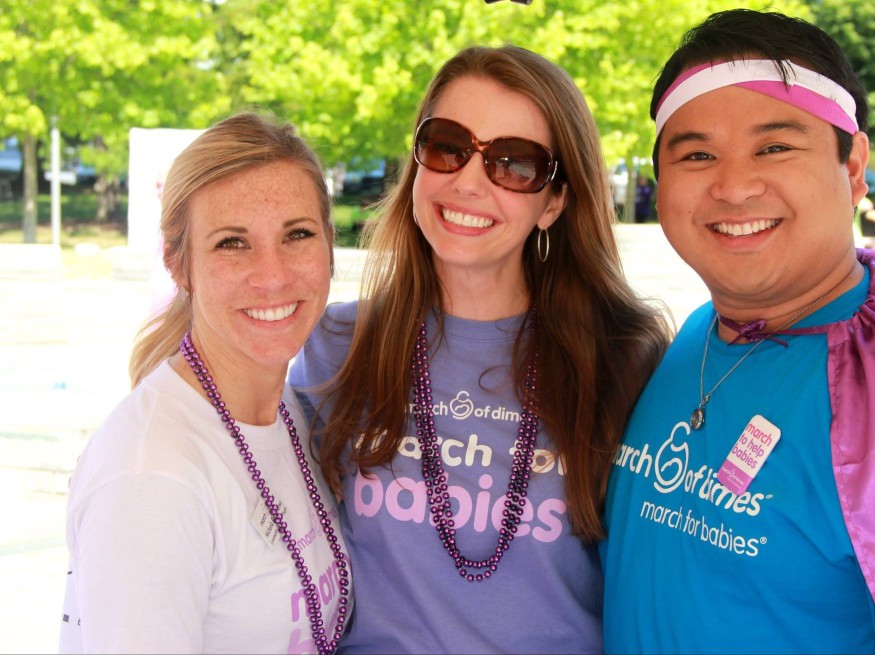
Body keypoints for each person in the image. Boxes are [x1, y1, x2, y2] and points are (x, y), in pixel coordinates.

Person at [601, 9, 875, 655]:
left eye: (775, 146)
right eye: (697, 154)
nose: (734, 186)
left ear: (853, 165)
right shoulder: (696, 333)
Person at [290, 45, 670, 654]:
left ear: (554, 202)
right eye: (447, 146)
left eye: (515, 164)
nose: (467, 182)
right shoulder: (335, 346)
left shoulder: (625, 360)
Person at [59, 112, 352, 654]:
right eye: (231, 243)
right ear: (178, 264)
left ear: (329, 245)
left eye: (297, 234)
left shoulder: (286, 410)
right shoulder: (152, 479)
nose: (273, 274)